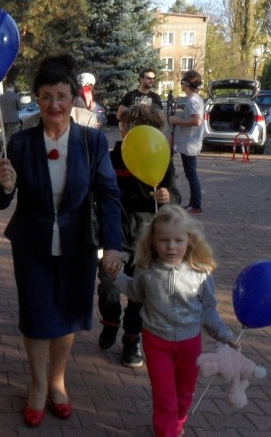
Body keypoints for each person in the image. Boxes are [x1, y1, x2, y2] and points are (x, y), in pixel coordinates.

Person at [0, 56, 124, 428]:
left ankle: (58, 381)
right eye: (46, 96)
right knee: (35, 316)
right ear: (37, 98)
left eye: (61, 96)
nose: (54, 105)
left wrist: (114, 245)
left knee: (66, 314)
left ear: (74, 98)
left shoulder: (92, 141)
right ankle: (36, 384)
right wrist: (5, 185)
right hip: (31, 243)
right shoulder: (20, 142)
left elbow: (109, 196)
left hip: (77, 243)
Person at [112, 204, 238, 437]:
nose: (171, 247)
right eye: (164, 240)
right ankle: (166, 432)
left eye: (178, 240)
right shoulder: (147, 268)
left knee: (184, 394)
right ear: (153, 241)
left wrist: (225, 335)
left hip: (189, 345)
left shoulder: (200, 272)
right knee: (165, 397)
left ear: (189, 240)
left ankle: (176, 425)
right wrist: (116, 277)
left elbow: (208, 311)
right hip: (155, 342)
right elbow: (135, 292)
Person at [97, 104, 181, 368]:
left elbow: (176, 194)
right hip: (114, 236)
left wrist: (169, 198)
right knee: (108, 288)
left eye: (132, 127)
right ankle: (110, 321)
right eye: (124, 126)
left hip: (146, 238)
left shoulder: (162, 156)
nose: (125, 131)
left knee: (139, 296)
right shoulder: (113, 158)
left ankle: (131, 344)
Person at [168, 70, 205, 215]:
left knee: (191, 174)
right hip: (188, 143)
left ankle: (196, 205)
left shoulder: (193, 100)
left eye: (183, 82)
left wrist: (176, 121)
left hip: (190, 144)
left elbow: (196, 120)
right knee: (190, 173)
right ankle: (192, 203)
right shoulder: (194, 100)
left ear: (186, 84)